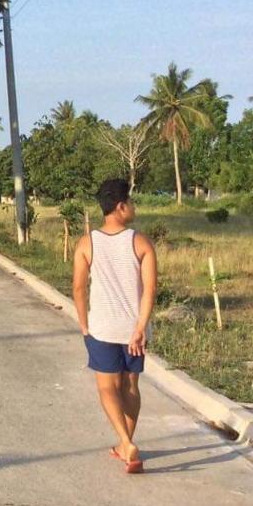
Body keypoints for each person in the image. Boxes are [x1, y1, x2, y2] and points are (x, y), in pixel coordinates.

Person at [72, 178, 157, 474]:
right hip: (133, 330)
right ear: (121, 206)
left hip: (102, 328)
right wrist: (140, 328)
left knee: (107, 386)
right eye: (131, 202)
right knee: (130, 386)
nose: (133, 207)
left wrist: (84, 325)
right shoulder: (141, 242)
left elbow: (79, 288)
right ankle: (126, 444)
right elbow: (149, 290)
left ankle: (124, 442)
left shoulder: (87, 243)